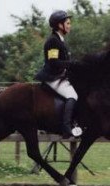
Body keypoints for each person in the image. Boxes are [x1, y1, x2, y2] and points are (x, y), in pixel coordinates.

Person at [35, 10, 82, 139]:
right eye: (67, 23)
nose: (69, 25)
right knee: (72, 95)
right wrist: (72, 64)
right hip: (52, 77)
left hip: (60, 76)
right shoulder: (53, 41)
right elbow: (53, 62)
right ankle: (66, 128)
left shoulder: (59, 40)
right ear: (60, 25)